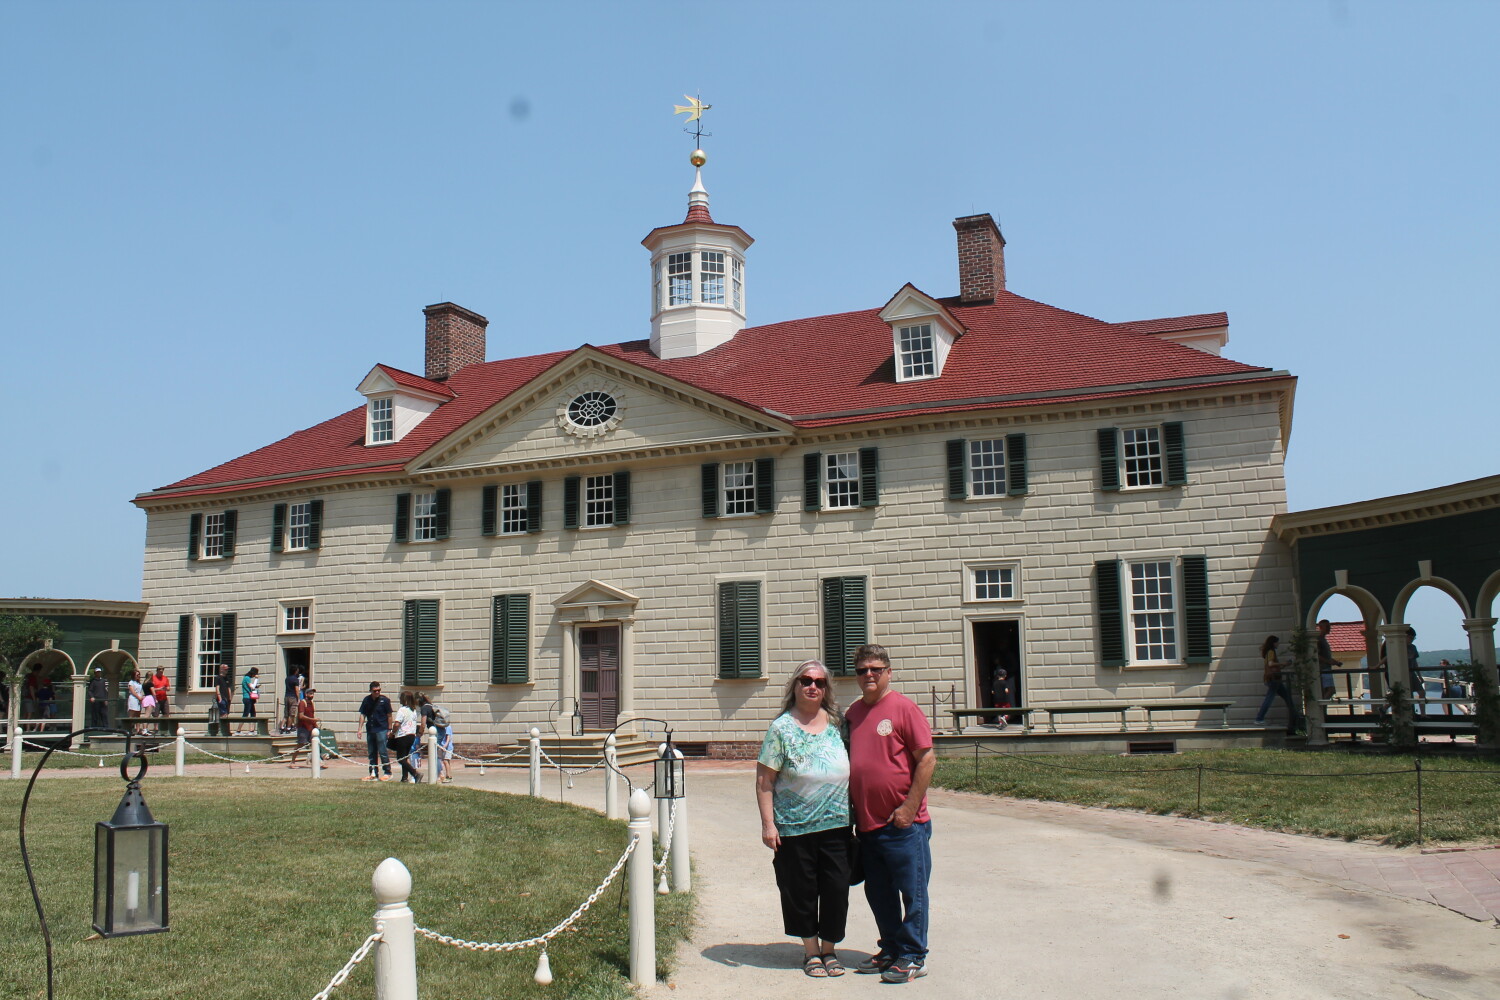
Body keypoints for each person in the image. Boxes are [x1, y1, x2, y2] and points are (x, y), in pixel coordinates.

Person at [755, 659, 852, 978]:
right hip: (794, 828)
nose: (813, 686)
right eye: (806, 680)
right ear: (795, 686)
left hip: (837, 826)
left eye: (820, 682)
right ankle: (811, 952)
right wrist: (769, 825)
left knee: (837, 890)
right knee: (801, 891)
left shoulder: (838, 723)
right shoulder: (781, 728)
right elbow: (764, 781)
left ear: (826, 689)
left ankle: (830, 949)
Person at [845, 644, 934, 984]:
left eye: (875, 669)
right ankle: (892, 949)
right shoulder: (853, 714)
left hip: (904, 824)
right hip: (868, 825)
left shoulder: (903, 709)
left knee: (913, 892)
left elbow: (927, 759)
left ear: (888, 672)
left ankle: (913, 955)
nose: (869, 675)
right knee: (879, 892)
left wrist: (909, 808)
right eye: (862, 670)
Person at [1254, 636, 1303, 734]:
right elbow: (1271, 664)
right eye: (1277, 642)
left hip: (1275, 679)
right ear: (1273, 643)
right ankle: (1259, 719)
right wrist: (1283, 663)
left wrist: (1283, 665)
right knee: (1270, 698)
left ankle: (1296, 717)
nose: (1278, 644)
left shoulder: (1268, 652)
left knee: (1287, 697)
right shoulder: (1271, 652)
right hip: (1274, 679)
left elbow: (1271, 664)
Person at [357, 682, 394, 781]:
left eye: (379, 690)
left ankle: (387, 772)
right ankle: (373, 773)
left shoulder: (385, 700)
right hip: (371, 729)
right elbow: (362, 715)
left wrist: (390, 729)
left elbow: (389, 715)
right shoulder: (366, 700)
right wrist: (359, 729)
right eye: (375, 691)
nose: (377, 692)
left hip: (382, 728)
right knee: (372, 752)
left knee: (383, 751)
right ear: (370, 691)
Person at [389, 690, 423, 783]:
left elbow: (397, 724)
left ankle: (415, 773)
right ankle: (404, 778)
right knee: (404, 757)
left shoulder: (402, 710)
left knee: (400, 759)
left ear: (404, 699)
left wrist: (392, 733)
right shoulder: (413, 711)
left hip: (402, 736)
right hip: (411, 736)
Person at [288, 688, 320, 767]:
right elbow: (301, 716)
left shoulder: (312, 703)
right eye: (310, 694)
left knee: (315, 744)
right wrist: (313, 720)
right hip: (303, 727)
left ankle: (316, 761)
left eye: (312, 694)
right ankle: (292, 762)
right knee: (301, 744)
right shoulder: (302, 703)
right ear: (306, 694)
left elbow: (312, 715)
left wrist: (315, 724)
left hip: (311, 727)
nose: (312, 695)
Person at [1315, 619, 1337, 700]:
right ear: (1321, 627)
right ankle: (1321, 707)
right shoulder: (1319, 640)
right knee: (1331, 690)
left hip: (1326, 668)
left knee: (1326, 691)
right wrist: (1328, 661)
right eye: (1327, 626)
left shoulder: (1323, 640)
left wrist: (1334, 661)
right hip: (1324, 669)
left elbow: (1323, 655)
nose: (1329, 628)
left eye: (1329, 626)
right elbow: (1316, 655)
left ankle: (1323, 709)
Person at [237, 666, 260, 734]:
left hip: (249, 698)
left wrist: (256, 686)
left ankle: (251, 730)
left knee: (253, 713)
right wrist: (256, 679)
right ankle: (238, 730)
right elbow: (251, 687)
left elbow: (251, 687)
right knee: (246, 714)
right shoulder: (247, 678)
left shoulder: (248, 678)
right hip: (247, 698)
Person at [214, 664, 233, 737]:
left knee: (226, 713)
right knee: (223, 713)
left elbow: (229, 688)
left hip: (227, 698)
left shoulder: (227, 678)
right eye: (225, 669)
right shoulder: (218, 678)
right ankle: (221, 729)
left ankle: (225, 729)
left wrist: (230, 697)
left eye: (227, 669)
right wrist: (219, 698)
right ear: (221, 669)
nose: (226, 671)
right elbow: (217, 688)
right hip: (221, 698)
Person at [126, 668, 146, 734]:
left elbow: (140, 691)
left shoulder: (139, 683)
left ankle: (138, 729)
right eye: (137, 675)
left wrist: (141, 697)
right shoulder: (131, 682)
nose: (138, 676)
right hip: (133, 699)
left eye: (139, 675)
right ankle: (129, 729)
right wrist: (138, 697)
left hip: (139, 700)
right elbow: (132, 691)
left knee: (138, 715)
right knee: (132, 714)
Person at [282, 668, 301, 734]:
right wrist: (298, 698)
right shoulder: (296, 679)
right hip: (293, 697)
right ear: (295, 671)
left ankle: (282, 727)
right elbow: (296, 690)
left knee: (286, 714)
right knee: (291, 714)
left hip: (286, 696)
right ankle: (288, 728)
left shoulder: (287, 678)